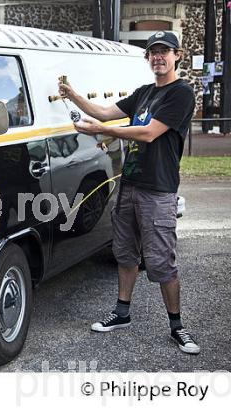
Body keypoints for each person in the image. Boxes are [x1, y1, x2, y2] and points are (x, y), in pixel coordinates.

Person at [58, 31, 199, 354]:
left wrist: (102, 131)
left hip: (158, 190)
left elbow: (149, 133)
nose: (158, 57)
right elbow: (106, 113)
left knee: (162, 261)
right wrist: (73, 95)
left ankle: (177, 327)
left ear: (177, 55)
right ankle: (122, 312)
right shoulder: (145, 93)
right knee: (125, 253)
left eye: (164, 52)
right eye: (152, 53)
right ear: (147, 58)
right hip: (130, 185)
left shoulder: (181, 94)